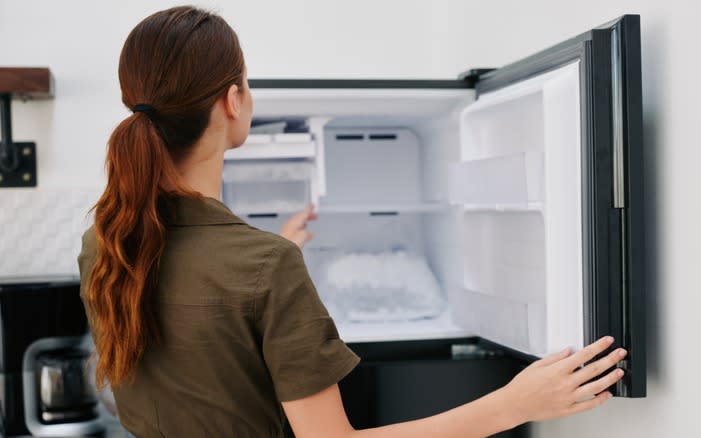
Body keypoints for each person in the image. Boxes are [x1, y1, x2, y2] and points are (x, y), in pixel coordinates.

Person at [78, 6, 627, 438]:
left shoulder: (104, 243)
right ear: (232, 101)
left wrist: (264, 257)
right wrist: (514, 405)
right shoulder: (265, 267)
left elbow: (201, 330)